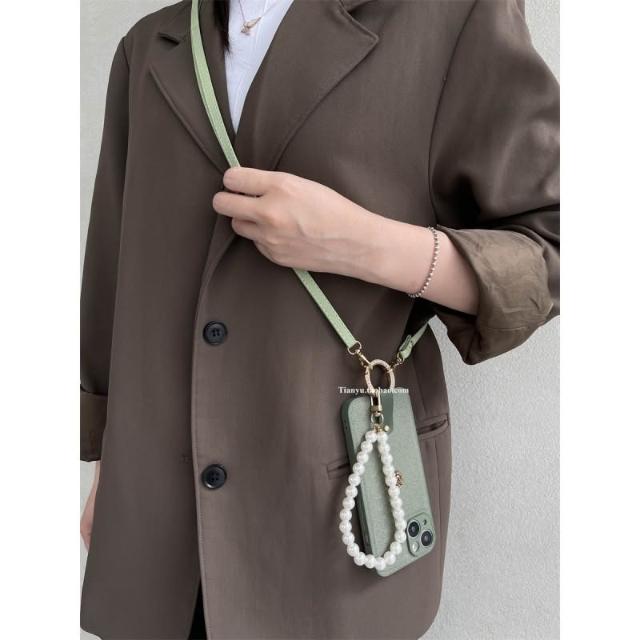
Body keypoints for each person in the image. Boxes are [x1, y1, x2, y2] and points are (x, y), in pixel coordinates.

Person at [80, 1, 560, 638]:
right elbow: (118, 267)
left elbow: (550, 250)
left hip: (330, 504)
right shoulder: (150, 46)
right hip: (159, 518)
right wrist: (109, 466)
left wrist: (361, 243)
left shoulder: (452, 14)